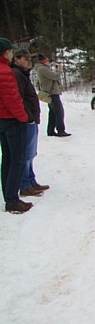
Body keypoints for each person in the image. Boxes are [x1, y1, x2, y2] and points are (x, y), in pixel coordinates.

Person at [0, 37, 32, 213]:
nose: (13, 53)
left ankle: (8, 195)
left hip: (2, 120)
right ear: (6, 52)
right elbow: (12, 99)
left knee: (7, 159)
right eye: (11, 51)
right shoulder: (5, 71)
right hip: (12, 120)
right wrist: (23, 117)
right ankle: (12, 199)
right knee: (17, 160)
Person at [12, 48, 49, 198]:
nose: (28, 61)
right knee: (26, 154)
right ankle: (25, 185)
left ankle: (31, 181)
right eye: (25, 59)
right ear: (16, 59)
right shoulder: (17, 74)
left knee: (31, 154)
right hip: (26, 120)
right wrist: (28, 116)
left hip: (31, 118)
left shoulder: (22, 74)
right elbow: (19, 98)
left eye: (29, 59)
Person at [35, 53, 71, 137]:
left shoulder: (42, 68)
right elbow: (55, 76)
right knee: (59, 112)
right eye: (47, 60)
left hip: (49, 92)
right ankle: (60, 130)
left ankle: (51, 130)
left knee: (53, 112)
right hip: (51, 93)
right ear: (43, 61)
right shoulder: (42, 69)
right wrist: (59, 70)